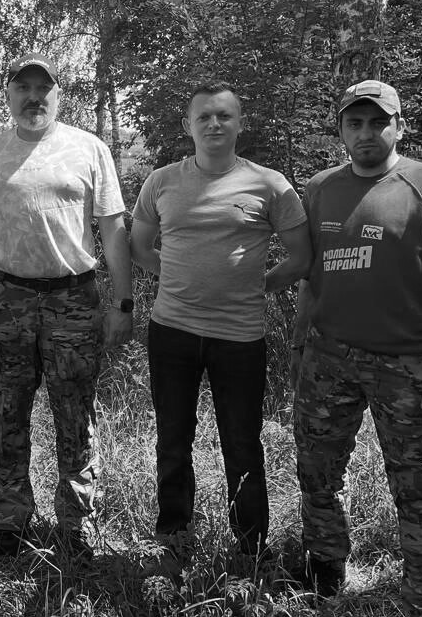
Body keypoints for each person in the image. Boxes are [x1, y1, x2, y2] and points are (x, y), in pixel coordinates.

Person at [291, 80, 422, 617]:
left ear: (399, 126)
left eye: (378, 122)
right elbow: (312, 275)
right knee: (318, 469)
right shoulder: (320, 189)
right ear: (341, 130)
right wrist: (300, 341)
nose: (366, 134)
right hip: (328, 357)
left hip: (410, 365)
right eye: (355, 123)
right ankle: (325, 566)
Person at [130, 82, 311, 560]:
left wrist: (258, 286)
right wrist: (179, 278)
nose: (214, 124)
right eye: (204, 116)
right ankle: (174, 538)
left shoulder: (269, 184)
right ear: (187, 125)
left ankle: (251, 547)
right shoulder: (161, 182)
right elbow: (140, 248)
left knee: (242, 442)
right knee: (173, 438)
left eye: (224, 116)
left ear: (239, 123)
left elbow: (301, 257)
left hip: (239, 336)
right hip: (172, 331)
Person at [0, 51, 133, 557]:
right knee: (5, 410)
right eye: (23, 88)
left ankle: (77, 523)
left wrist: (123, 302)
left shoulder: (88, 148)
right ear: (9, 95)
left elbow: (113, 228)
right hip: (8, 299)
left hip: (73, 299)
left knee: (75, 413)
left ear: (58, 95)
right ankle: (10, 516)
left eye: (43, 89)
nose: (33, 98)